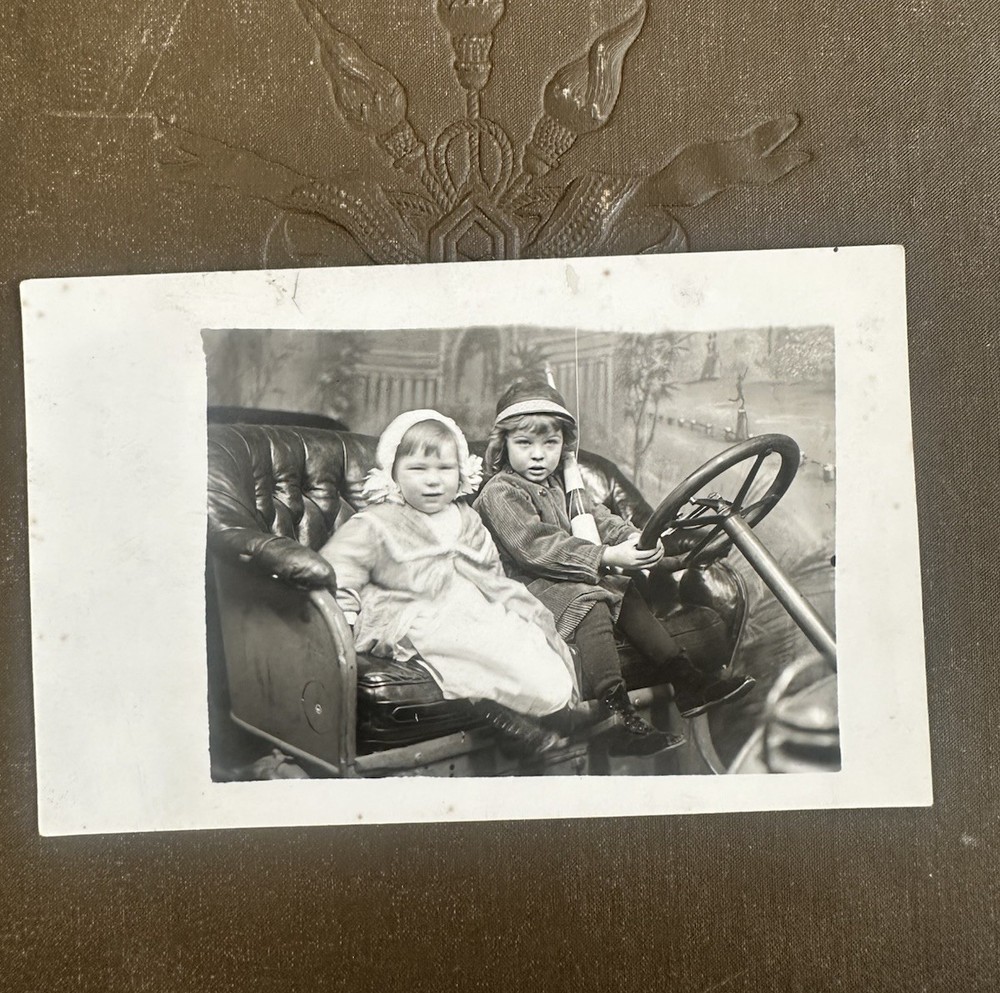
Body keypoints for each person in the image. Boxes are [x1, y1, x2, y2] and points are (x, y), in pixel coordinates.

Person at [474, 379, 754, 752]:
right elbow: (535, 546)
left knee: (622, 589)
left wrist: (644, 544)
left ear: (564, 445)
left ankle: (687, 681)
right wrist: (607, 556)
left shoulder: (564, 486)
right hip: (525, 588)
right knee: (591, 596)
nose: (538, 455)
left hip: (567, 580)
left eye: (550, 443)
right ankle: (616, 715)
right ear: (503, 445)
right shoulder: (501, 492)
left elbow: (601, 520)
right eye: (524, 444)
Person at [319, 409, 578, 758]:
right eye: (417, 469)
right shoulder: (376, 523)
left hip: (467, 606)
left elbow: (489, 569)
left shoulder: (466, 518)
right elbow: (339, 573)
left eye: (445, 469)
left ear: (461, 474)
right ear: (393, 473)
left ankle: (548, 711)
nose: (433, 481)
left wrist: (504, 607)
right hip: (407, 610)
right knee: (454, 644)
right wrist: (344, 624)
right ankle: (502, 720)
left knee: (519, 636)